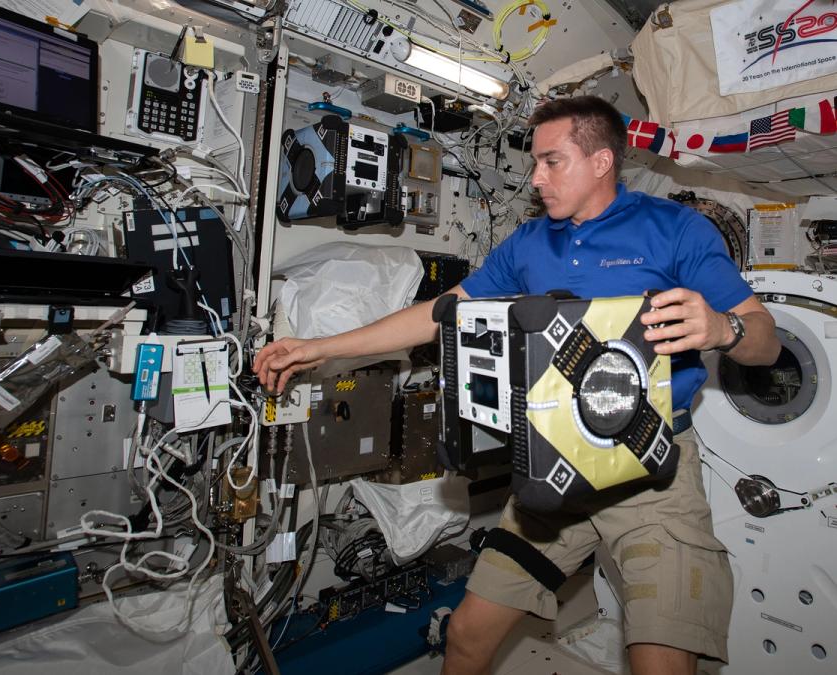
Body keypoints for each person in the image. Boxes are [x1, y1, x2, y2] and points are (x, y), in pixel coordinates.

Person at [253, 95, 780, 675]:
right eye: (535, 162)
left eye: (553, 162)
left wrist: (721, 327)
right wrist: (319, 348)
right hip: (555, 466)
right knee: (468, 637)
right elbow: (438, 313)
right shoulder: (529, 243)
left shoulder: (676, 231)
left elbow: (766, 340)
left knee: (661, 663)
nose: (536, 178)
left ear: (601, 162)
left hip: (651, 468)